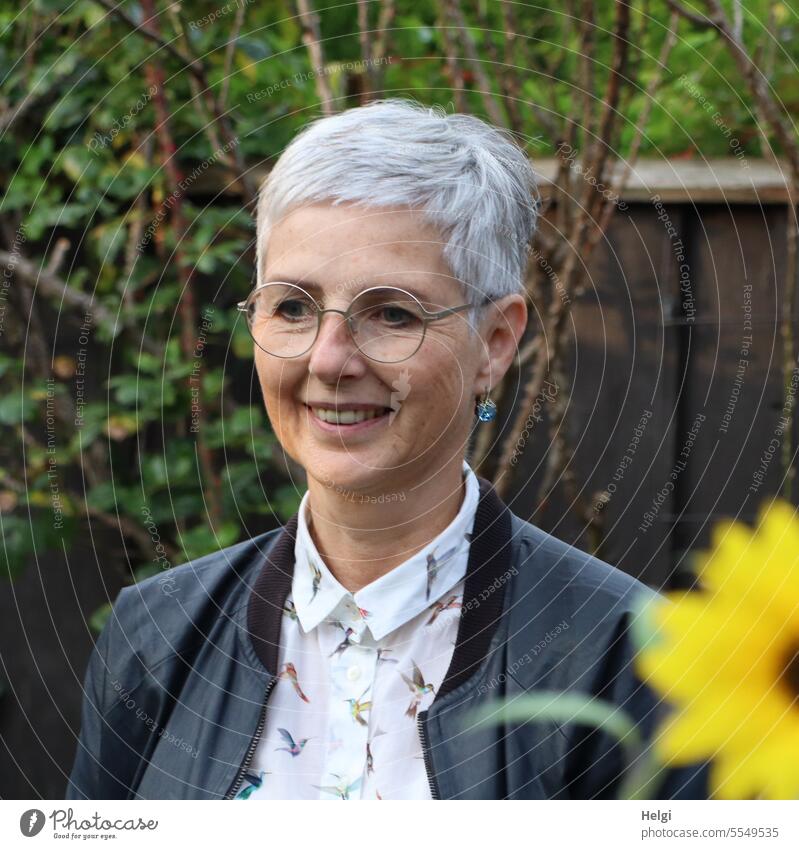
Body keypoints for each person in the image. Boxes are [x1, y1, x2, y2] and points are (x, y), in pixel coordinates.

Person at [66, 99, 705, 800]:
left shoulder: (628, 656)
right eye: (292, 306)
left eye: (392, 312)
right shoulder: (153, 637)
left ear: (495, 343)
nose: (329, 358)